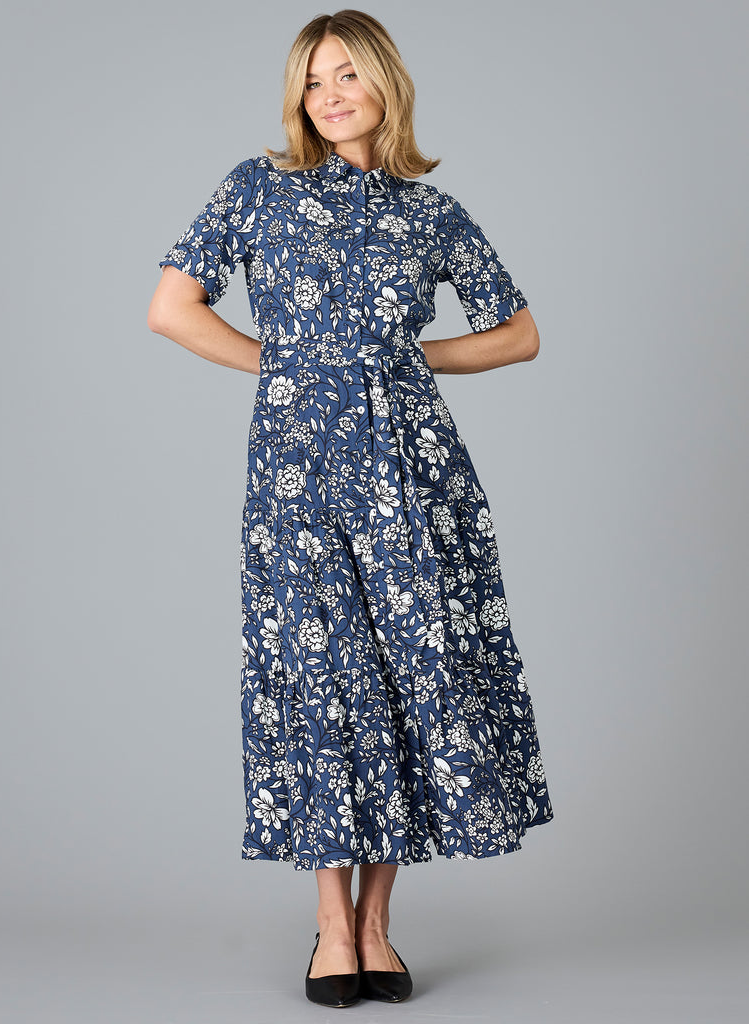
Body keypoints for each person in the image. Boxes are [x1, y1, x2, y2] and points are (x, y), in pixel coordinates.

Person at [147, 8, 554, 1009]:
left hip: (414, 476)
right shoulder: (257, 188)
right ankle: (331, 925)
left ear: (385, 87)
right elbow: (171, 308)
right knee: (320, 676)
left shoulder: (433, 212)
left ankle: (379, 924)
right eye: (313, 79)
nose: (329, 94)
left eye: (347, 75)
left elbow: (519, 334)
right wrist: (289, 371)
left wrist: (400, 364)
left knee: (409, 676)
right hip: (296, 475)